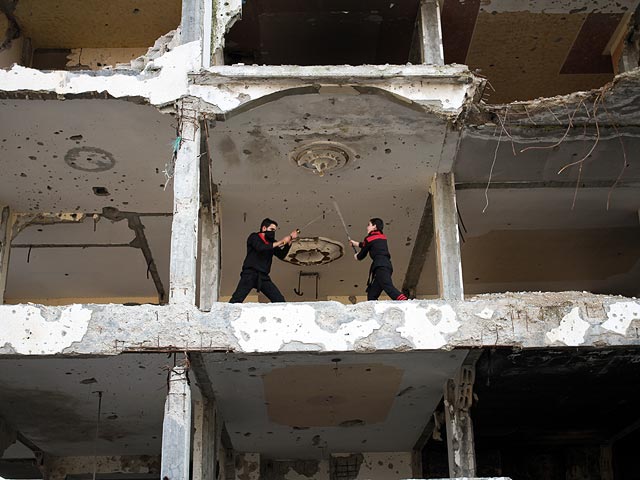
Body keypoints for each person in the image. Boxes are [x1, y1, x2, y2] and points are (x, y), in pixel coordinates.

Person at [229, 218, 298, 303]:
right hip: (249, 274)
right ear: (264, 228)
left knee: (279, 300)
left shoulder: (272, 242)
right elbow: (261, 247)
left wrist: (289, 242)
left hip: (263, 277)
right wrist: (282, 241)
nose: (273, 232)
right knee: (236, 300)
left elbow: (281, 255)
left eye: (274, 230)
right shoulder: (254, 237)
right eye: (271, 229)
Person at [350, 218, 408, 301]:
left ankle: (404, 301)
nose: (367, 227)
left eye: (369, 225)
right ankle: (373, 309)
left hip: (380, 266)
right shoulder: (381, 237)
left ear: (374, 226)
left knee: (387, 286)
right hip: (385, 265)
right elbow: (367, 244)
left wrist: (357, 256)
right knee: (372, 294)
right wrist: (356, 243)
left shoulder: (369, 238)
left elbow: (361, 255)